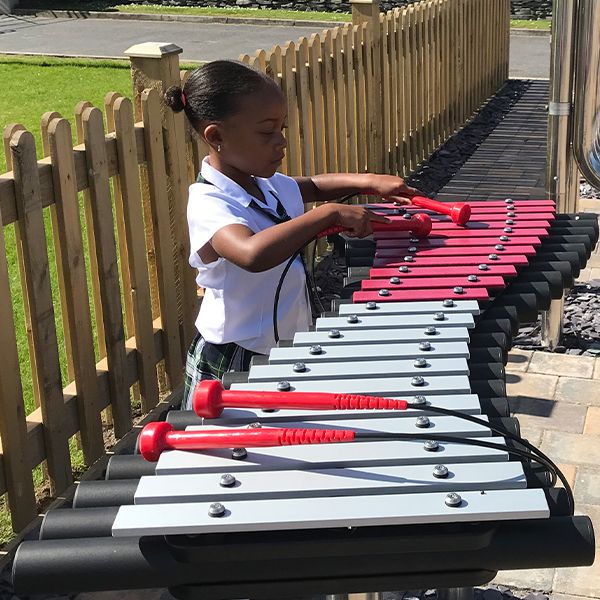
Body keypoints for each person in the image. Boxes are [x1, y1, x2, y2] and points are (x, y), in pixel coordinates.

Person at [165, 60, 420, 410]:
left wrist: (369, 182)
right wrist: (330, 214)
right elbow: (251, 254)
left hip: (283, 345)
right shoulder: (210, 202)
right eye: (267, 132)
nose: (281, 142)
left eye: (282, 128)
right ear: (216, 136)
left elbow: (310, 186)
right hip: (234, 359)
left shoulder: (264, 185)